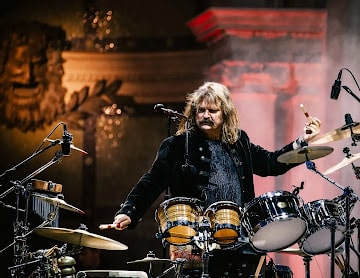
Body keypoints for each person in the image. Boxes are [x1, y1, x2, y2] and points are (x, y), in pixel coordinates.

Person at [112, 81, 321, 277]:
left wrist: (301, 141)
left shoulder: (240, 142)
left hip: (238, 237)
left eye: (212, 111)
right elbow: (152, 181)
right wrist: (129, 211)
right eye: (201, 110)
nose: (205, 115)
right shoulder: (177, 145)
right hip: (193, 238)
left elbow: (271, 164)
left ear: (225, 114)